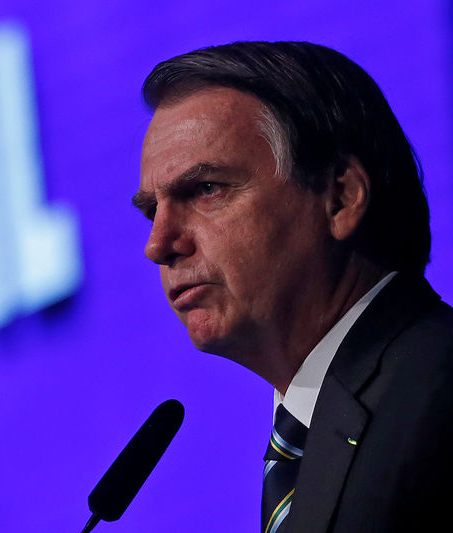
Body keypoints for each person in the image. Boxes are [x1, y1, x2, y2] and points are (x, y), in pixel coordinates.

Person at [134, 41, 453, 532]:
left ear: (341, 198)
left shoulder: (438, 390)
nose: (159, 244)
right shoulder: (315, 434)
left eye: (205, 189)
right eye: (153, 210)